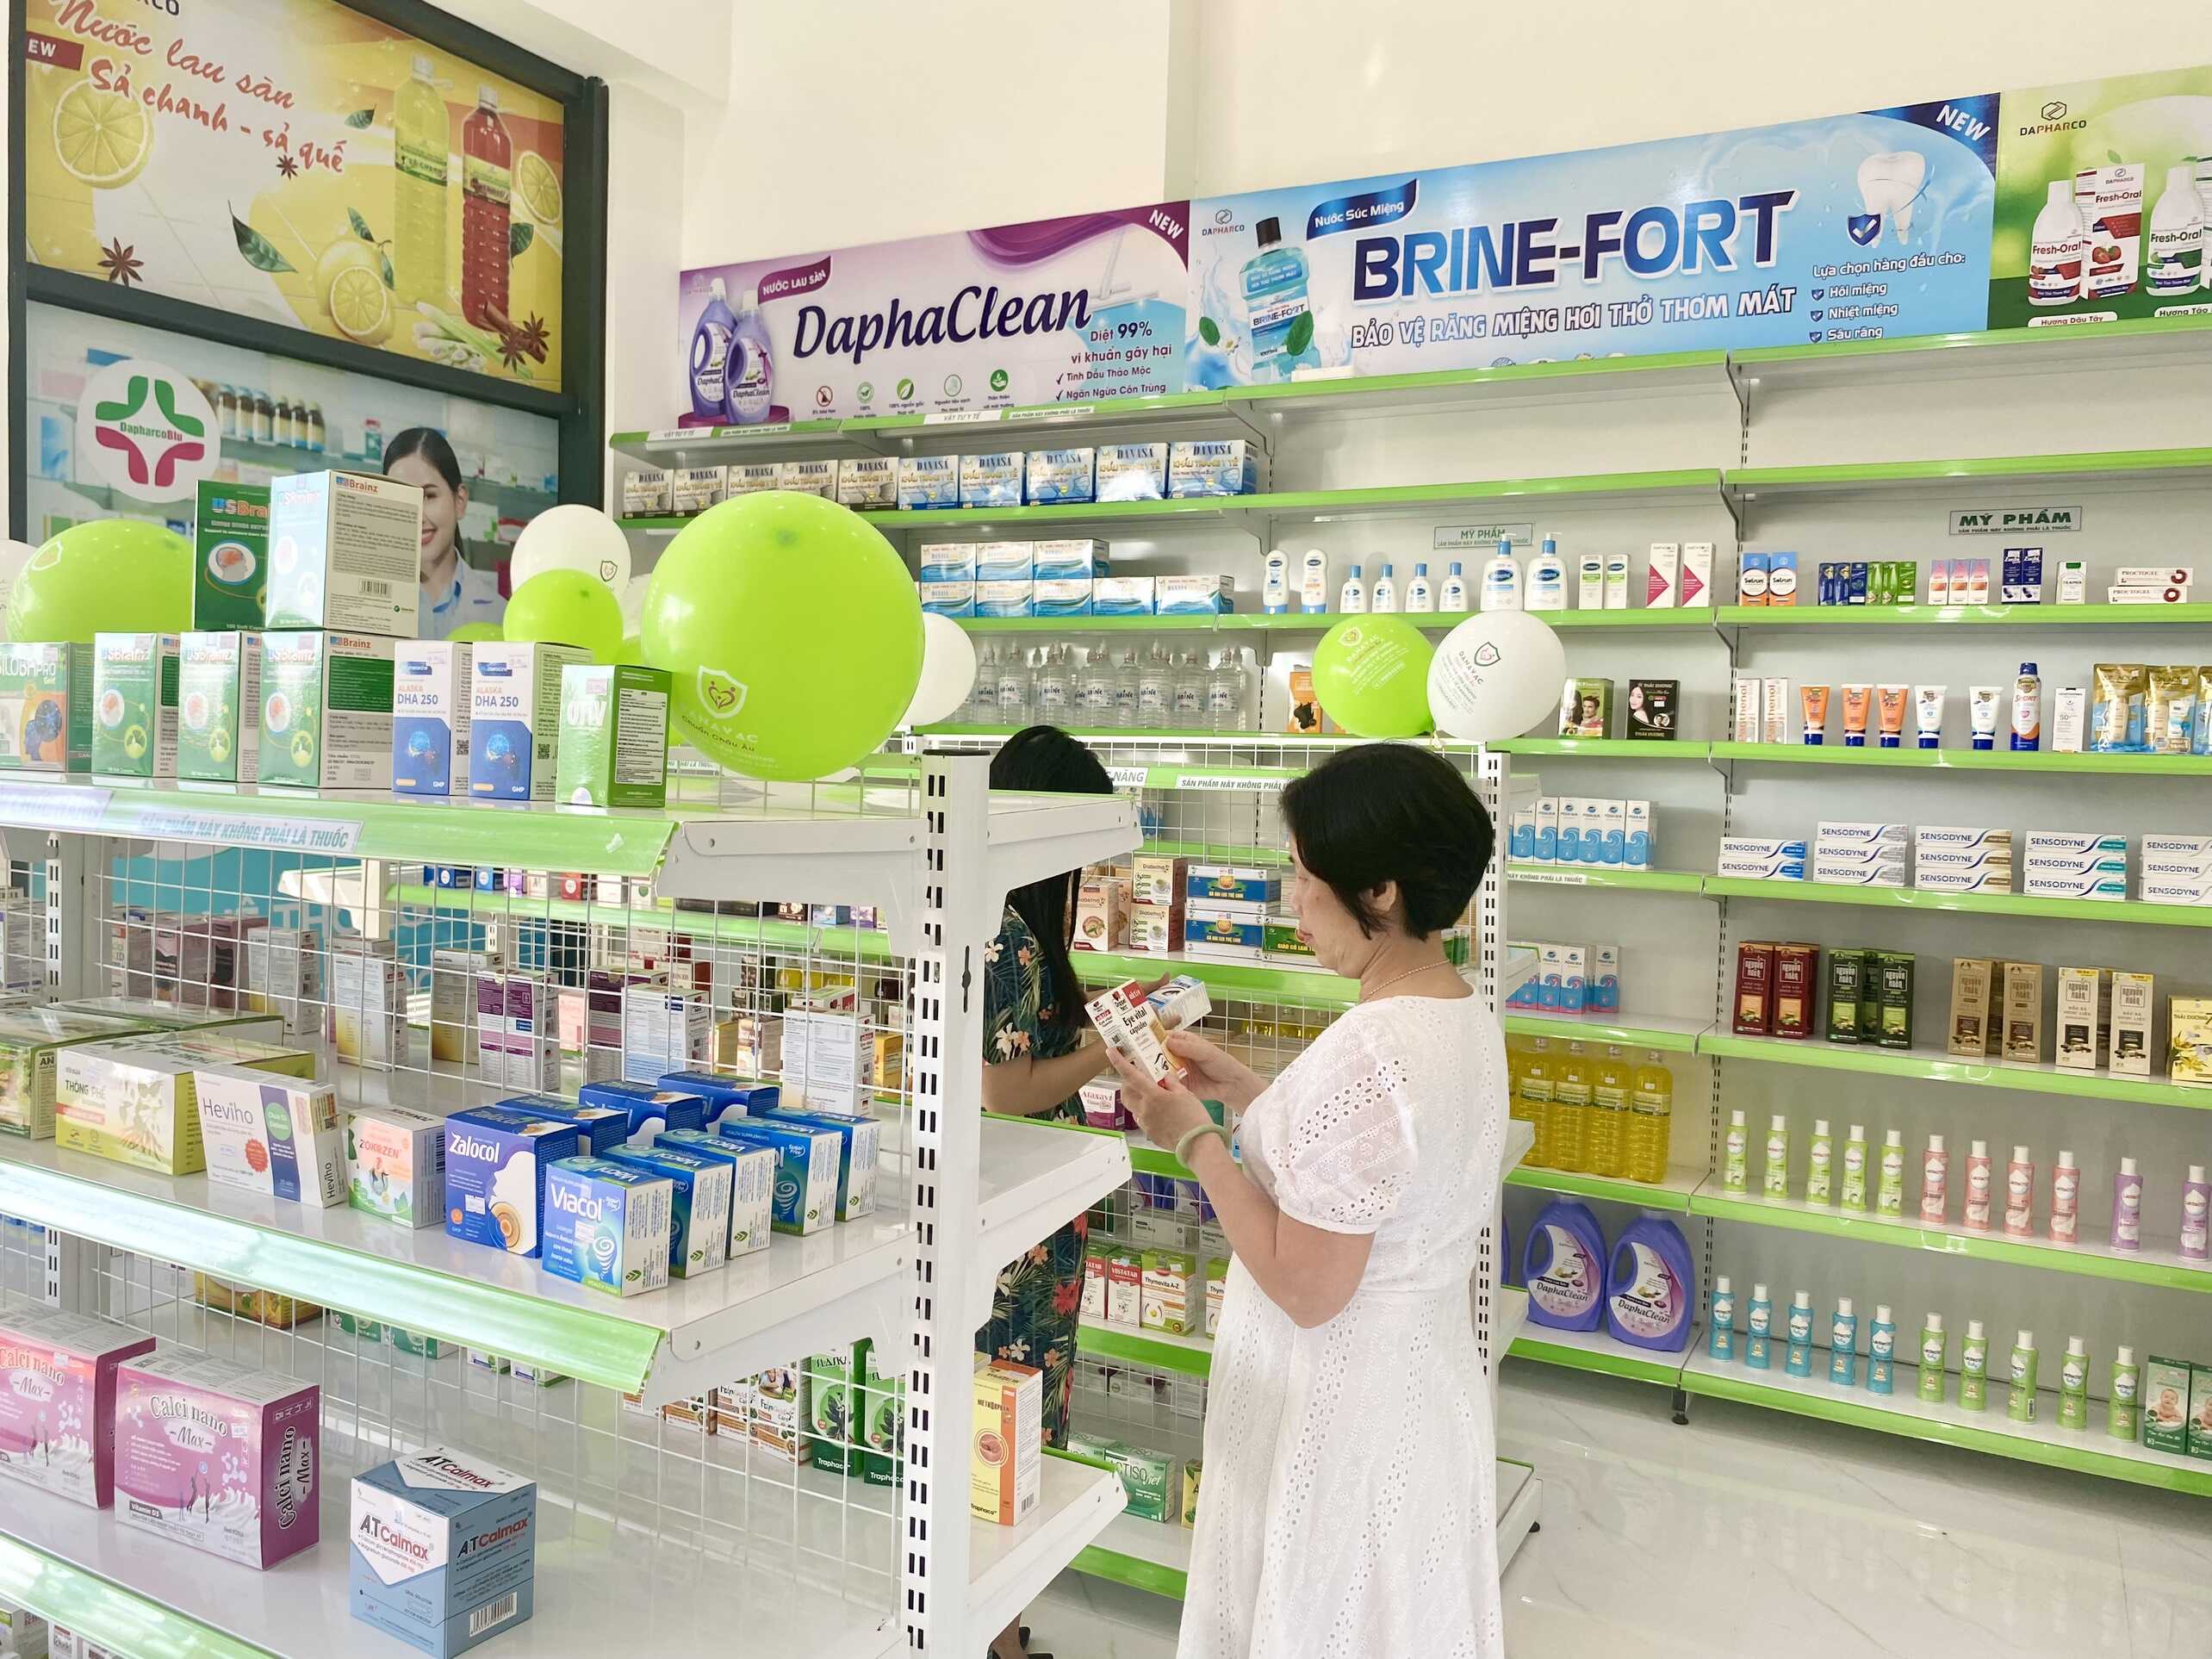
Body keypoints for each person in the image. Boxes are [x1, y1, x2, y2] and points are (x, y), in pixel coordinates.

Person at [1102, 743, 1507, 1659]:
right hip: (1421, 1392)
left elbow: (1308, 1285)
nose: (1292, 903)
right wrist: (1252, 1095)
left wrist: (1194, 1140)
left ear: (1380, 891)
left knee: (1322, 1616)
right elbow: (1377, 1171)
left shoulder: (1371, 1048)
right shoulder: (1460, 1014)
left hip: (1339, 1408)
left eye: (1302, 876)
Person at [975, 725, 1151, 1659]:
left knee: (1009, 1424)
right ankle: (995, 1641)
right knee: (1010, 1424)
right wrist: (1110, 1049)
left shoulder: (1002, 915)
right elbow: (1007, 1090)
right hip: (1017, 1234)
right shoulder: (1006, 929)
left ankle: (996, 1630)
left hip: (1025, 1211)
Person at [385, 426, 505, 639]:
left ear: (460, 501)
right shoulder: (368, 606)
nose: (416, 515)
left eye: (429, 496)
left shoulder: (499, 614)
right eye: (402, 498)